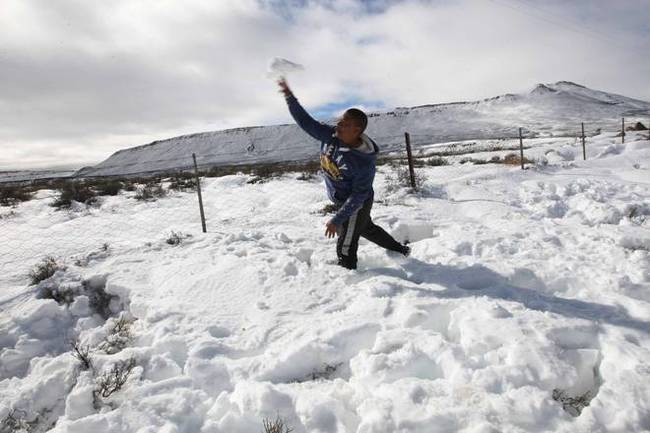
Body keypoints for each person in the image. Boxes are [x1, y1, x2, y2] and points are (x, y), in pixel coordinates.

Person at [278, 78, 410, 270]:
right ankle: (400, 250)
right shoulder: (330, 135)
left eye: (345, 123)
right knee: (366, 229)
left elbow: (358, 197)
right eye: (340, 120)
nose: (338, 124)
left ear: (357, 130)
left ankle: (347, 270)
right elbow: (305, 122)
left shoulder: (363, 163)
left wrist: (336, 219)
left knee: (347, 237)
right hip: (341, 198)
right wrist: (290, 97)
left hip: (358, 202)